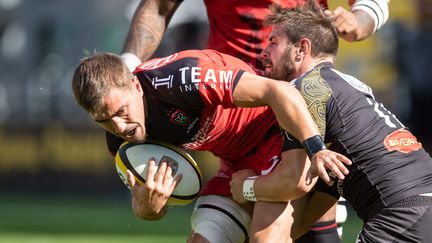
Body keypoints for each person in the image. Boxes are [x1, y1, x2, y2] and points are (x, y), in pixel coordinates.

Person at [122, 1, 390, 241]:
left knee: (281, 232)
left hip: (293, 123)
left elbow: (370, 8)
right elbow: (158, 6)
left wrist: (361, 19)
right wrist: (125, 68)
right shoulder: (180, 85)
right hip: (233, 137)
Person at [71, 49, 351, 242]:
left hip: (276, 137)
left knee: (266, 240)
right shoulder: (119, 139)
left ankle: (320, 212)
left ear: (135, 84)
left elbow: (279, 90)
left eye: (121, 111)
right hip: (233, 162)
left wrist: (316, 149)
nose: (119, 127)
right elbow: (143, 208)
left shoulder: (183, 78)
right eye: (104, 121)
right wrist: (149, 209)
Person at [228, 2, 432, 242]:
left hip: (402, 215)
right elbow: (318, 203)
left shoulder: (303, 90)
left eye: (273, 42)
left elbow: (294, 179)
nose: (264, 52)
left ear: (301, 48)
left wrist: (246, 187)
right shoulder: (348, 85)